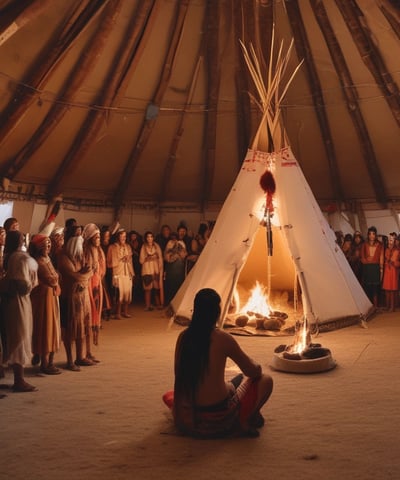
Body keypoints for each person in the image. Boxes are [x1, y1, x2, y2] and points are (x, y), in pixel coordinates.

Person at [167, 288, 273, 438]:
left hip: (186, 416)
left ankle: (235, 398)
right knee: (266, 380)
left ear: (195, 310)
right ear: (217, 312)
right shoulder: (222, 339)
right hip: (216, 417)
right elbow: (253, 372)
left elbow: (179, 375)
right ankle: (243, 422)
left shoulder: (183, 337)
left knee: (232, 383)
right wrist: (255, 364)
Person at [0, 230, 38, 392]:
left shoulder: (10, 257)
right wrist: (32, 283)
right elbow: (23, 285)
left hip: (12, 302)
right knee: (20, 337)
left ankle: (18, 377)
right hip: (19, 302)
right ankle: (19, 379)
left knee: (16, 336)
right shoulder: (19, 258)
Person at [57, 233, 93, 371]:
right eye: (79, 244)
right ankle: (70, 360)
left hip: (82, 297)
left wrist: (82, 275)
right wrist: (83, 274)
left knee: (82, 327)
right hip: (69, 297)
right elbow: (74, 276)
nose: (82, 247)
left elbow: (89, 272)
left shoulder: (80, 256)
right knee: (70, 329)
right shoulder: (64, 258)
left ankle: (80, 356)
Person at [29, 234, 62, 375]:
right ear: (37, 247)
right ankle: (45, 363)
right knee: (46, 328)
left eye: (49, 243)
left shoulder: (47, 259)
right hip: (43, 300)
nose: (47, 246)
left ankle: (47, 360)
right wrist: (56, 279)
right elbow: (52, 279)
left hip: (50, 298)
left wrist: (55, 279)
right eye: (44, 244)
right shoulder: (38, 262)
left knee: (52, 327)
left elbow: (54, 278)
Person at [83, 223, 106, 358]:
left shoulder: (100, 251)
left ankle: (89, 350)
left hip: (97, 283)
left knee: (96, 313)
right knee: (89, 316)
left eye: (99, 237)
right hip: (89, 284)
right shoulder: (87, 251)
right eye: (96, 237)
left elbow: (102, 269)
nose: (98, 240)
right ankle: (87, 351)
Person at [106, 228, 134, 318]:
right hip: (118, 273)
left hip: (127, 272)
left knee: (127, 293)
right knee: (118, 294)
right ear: (117, 237)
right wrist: (120, 260)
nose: (123, 238)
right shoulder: (112, 247)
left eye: (125, 236)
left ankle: (125, 312)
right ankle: (117, 313)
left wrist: (128, 261)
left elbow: (130, 259)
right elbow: (109, 262)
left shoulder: (128, 246)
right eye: (121, 236)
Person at [360, 226, 384, 307]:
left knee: (375, 288)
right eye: (370, 234)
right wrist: (366, 261)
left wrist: (381, 269)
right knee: (367, 287)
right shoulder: (364, 244)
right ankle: (369, 307)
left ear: (375, 235)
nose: (371, 236)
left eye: (373, 234)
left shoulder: (380, 245)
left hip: (375, 268)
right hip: (367, 268)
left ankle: (376, 306)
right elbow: (362, 257)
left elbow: (381, 257)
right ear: (368, 235)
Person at [139, 231, 164, 310]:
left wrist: (160, 269)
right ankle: (147, 305)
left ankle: (158, 304)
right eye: (148, 237)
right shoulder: (144, 246)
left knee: (156, 288)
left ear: (153, 238)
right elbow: (141, 260)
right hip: (147, 269)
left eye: (151, 236)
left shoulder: (157, 246)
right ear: (146, 238)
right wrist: (149, 257)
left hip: (155, 269)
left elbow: (160, 258)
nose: (150, 238)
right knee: (147, 288)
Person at [164, 232, 187, 304]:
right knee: (170, 284)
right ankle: (169, 302)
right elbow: (166, 257)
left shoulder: (181, 243)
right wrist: (172, 251)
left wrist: (178, 250)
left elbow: (184, 255)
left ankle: (177, 302)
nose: (174, 239)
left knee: (178, 284)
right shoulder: (169, 243)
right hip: (171, 268)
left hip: (179, 268)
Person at [382, 232, 400, 312]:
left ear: (394, 241)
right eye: (389, 240)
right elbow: (385, 259)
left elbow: (397, 261)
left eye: (392, 240)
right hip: (387, 270)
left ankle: (392, 307)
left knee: (393, 289)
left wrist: (394, 263)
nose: (390, 241)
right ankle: (387, 306)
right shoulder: (386, 249)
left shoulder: (397, 250)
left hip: (393, 271)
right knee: (387, 289)